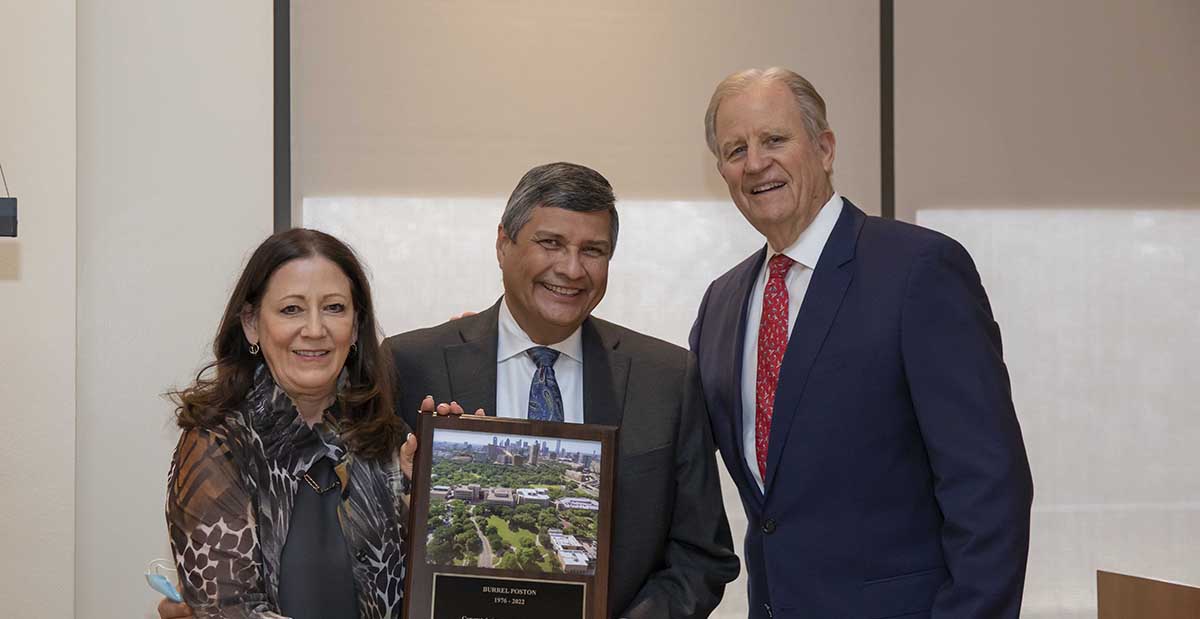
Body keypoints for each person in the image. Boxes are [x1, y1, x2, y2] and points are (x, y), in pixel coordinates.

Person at [689, 68, 1034, 618]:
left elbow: (988, 489)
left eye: (774, 139)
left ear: (824, 149)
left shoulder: (919, 270)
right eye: (736, 149)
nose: (755, 163)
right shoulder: (721, 305)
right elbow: (678, 461)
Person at [385, 162, 740, 618]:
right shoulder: (410, 365)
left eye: (593, 250)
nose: (572, 269)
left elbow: (702, 554)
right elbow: (365, 543)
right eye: (550, 243)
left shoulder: (669, 378)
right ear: (502, 244)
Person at [161, 228, 417, 618]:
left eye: (334, 308)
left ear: (355, 326)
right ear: (250, 323)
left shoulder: (387, 439)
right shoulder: (219, 443)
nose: (315, 330)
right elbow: (229, 611)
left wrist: (441, 503)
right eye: (291, 309)